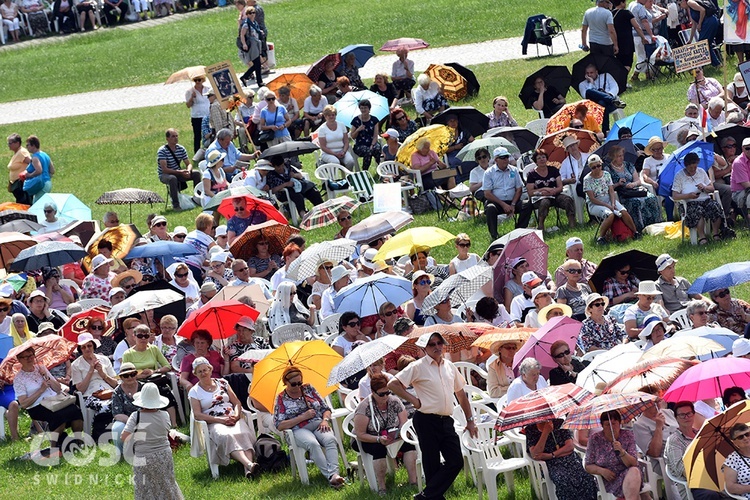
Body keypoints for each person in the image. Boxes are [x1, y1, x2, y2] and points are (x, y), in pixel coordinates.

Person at [388, 332, 478, 500]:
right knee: (432, 465)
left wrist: (470, 420)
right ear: (424, 348)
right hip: (426, 420)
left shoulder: (449, 366)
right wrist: (414, 400)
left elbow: (461, 394)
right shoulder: (417, 366)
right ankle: (431, 497)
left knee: (456, 461)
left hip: (446, 420)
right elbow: (393, 384)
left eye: (439, 343)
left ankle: (425, 496)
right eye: (432, 344)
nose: (437, 346)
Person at [274, 365, 345, 488]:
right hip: (298, 429)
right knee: (313, 444)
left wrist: (325, 420)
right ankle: (331, 476)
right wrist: (302, 417)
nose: (297, 386)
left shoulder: (308, 389)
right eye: (294, 384)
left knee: (330, 440)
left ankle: (334, 474)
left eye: (299, 382)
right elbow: (279, 425)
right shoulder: (281, 398)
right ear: (286, 382)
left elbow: (325, 408)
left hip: (318, 422)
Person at [189, 356, 258, 478]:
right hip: (214, 421)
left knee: (244, 433)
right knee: (226, 436)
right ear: (195, 374)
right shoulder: (194, 391)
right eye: (199, 371)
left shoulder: (223, 383)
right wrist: (219, 420)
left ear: (210, 370)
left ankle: (248, 470)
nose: (203, 373)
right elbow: (197, 414)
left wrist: (236, 416)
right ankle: (249, 464)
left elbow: (236, 403)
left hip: (232, 417)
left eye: (205, 370)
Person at [353, 373, 418, 494]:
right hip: (369, 438)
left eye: (388, 392)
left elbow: (404, 424)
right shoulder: (364, 407)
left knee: (409, 445)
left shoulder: (394, 401)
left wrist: (401, 434)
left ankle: (413, 481)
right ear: (372, 391)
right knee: (379, 449)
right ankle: (382, 487)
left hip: (392, 436)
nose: (386, 396)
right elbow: (360, 434)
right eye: (382, 394)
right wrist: (378, 439)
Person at [14, 345, 84, 454]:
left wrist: (47, 377)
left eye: (31, 355)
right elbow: (24, 404)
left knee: (75, 411)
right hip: (37, 406)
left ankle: (79, 442)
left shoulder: (41, 368)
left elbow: (58, 388)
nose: (29, 359)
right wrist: (41, 390)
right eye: (25, 357)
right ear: (19, 360)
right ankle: (54, 447)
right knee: (58, 416)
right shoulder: (19, 379)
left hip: (54, 400)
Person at [121, 383, 184, 500]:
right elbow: (165, 432)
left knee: (144, 487)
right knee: (167, 484)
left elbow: (124, 437)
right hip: (164, 456)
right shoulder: (165, 415)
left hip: (143, 457)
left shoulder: (136, 416)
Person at [527, 419, 598, 500]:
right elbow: (535, 454)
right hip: (550, 464)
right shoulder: (531, 429)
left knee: (586, 476)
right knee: (563, 480)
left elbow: (570, 447)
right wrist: (546, 432)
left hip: (570, 458)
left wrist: (551, 455)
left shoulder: (559, 422)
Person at [123, 324, 179, 426]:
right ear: (134, 337)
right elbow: (124, 374)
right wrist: (140, 375)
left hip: (154, 380)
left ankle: (173, 424)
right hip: (137, 382)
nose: (143, 338)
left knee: (165, 391)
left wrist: (154, 371)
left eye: (146, 336)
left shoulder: (154, 349)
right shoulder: (128, 354)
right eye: (140, 336)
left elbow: (167, 366)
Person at [585, 410, 645, 500]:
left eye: (614, 423)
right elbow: (588, 465)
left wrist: (622, 452)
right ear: (602, 425)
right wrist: (602, 471)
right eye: (607, 425)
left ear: (620, 423)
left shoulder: (628, 435)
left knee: (634, 471)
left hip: (628, 474)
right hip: (608, 479)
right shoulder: (595, 439)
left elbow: (633, 463)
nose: (611, 427)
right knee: (635, 493)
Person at [584, 153, 638, 244]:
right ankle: (601, 237)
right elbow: (592, 198)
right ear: (590, 168)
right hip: (595, 203)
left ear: (601, 164)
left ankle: (635, 232)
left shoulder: (606, 174)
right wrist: (607, 206)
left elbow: (611, 190)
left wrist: (613, 203)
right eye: (594, 167)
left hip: (609, 199)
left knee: (623, 211)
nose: (597, 168)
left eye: (598, 166)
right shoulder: (587, 179)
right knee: (610, 214)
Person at [71, 332, 117, 439]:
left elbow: (115, 383)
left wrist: (102, 374)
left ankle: (113, 432)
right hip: (90, 395)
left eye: (89, 346)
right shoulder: (76, 365)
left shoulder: (104, 359)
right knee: (106, 406)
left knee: (121, 402)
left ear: (94, 346)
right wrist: (90, 371)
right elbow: (80, 390)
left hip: (109, 391)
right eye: (83, 347)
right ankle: (100, 434)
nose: (87, 349)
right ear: (80, 349)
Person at [672, 151, 724, 244]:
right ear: (685, 165)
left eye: (695, 166)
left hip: (705, 199)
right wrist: (688, 195)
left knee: (715, 206)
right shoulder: (679, 176)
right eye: (690, 167)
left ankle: (715, 233)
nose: (693, 169)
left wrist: (704, 187)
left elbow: (712, 188)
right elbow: (675, 196)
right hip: (689, 203)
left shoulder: (701, 171)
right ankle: (702, 237)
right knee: (697, 210)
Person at [606, 145, 660, 232]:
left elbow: (638, 180)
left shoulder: (628, 165)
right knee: (635, 202)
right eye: (618, 156)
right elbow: (608, 187)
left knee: (652, 198)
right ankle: (639, 227)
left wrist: (633, 184)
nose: (621, 158)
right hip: (622, 193)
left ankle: (655, 224)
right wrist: (618, 184)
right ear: (613, 157)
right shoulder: (608, 169)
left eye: (622, 155)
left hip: (634, 190)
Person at [483, 146, 532, 239]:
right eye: (503, 157)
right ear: (496, 159)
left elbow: (519, 189)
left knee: (527, 204)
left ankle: (519, 231)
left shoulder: (514, 170)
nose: (506, 159)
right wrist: (503, 205)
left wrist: (513, 204)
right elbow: (487, 193)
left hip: (513, 200)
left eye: (507, 157)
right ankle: (494, 235)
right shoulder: (489, 173)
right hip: (497, 202)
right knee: (490, 208)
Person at [526, 148, 577, 231]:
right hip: (539, 198)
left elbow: (560, 187)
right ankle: (541, 226)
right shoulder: (532, 174)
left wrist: (554, 191)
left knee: (567, 200)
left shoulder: (553, 170)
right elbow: (530, 192)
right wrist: (543, 191)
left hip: (554, 195)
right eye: (539, 158)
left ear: (546, 158)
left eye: (543, 157)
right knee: (545, 202)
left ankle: (572, 223)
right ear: (535, 161)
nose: (542, 159)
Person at [267, 154, 324, 220]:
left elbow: (300, 176)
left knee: (313, 192)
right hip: (283, 193)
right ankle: (303, 215)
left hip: (297, 187)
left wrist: (294, 175)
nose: (281, 168)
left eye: (282, 165)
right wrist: (285, 184)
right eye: (278, 167)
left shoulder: (288, 167)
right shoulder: (271, 175)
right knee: (297, 196)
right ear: (274, 166)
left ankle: (322, 210)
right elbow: (272, 190)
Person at [157, 128, 201, 211]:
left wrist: (188, 170)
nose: (176, 138)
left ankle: (198, 198)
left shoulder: (181, 148)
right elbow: (164, 169)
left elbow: (189, 164)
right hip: (165, 175)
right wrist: (180, 172)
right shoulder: (162, 151)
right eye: (173, 136)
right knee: (172, 179)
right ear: (167, 138)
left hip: (178, 172)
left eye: (176, 136)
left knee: (196, 174)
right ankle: (176, 205)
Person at [316, 105, 355, 169]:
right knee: (335, 162)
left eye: (333, 115)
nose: (331, 116)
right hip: (328, 153)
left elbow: (346, 141)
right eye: (329, 115)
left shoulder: (341, 125)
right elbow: (323, 147)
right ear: (325, 116)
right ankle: (333, 178)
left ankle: (349, 177)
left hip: (342, 151)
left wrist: (344, 151)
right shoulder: (322, 129)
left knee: (350, 161)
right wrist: (335, 154)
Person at [350, 99, 382, 171]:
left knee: (377, 149)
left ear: (369, 109)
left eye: (365, 108)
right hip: (360, 145)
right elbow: (352, 136)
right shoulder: (356, 120)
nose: (363, 110)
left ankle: (381, 168)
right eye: (361, 108)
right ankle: (365, 171)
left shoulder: (374, 120)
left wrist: (372, 145)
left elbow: (375, 135)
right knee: (367, 151)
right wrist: (358, 129)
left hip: (372, 142)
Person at [21, 135, 54, 203]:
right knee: (44, 204)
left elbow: (39, 170)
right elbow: (52, 170)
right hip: (48, 183)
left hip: (42, 184)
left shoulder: (35, 157)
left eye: (28, 145)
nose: (27, 147)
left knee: (37, 204)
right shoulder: (45, 154)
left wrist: (29, 175)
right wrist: (47, 177)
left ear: (33, 145)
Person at [239, 7, 264, 88]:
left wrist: (260, 32)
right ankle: (259, 82)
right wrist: (244, 44)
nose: (252, 15)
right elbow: (242, 35)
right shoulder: (246, 24)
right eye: (250, 13)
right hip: (251, 45)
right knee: (257, 63)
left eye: (253, 13)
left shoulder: (254, 23)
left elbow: (255, 31)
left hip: (256, 43)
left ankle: (245, 77)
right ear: (247, 15)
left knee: (257, 64)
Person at [6, 133, 31, 204]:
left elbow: (31, 163)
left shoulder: (22, 152)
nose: (8, 145)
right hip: (16, 184)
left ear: (17, 143)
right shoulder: (17, 153)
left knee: (24, 202)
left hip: (21, 183)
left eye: (10, 143)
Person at [732, 137, 750, 216]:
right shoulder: (738, 162)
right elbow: (747, 185)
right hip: (740, 192)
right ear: (743, 149)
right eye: (747, 148)